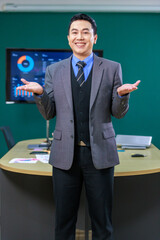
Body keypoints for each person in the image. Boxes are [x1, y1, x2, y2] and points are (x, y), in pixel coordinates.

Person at [17, 13, 140, 240]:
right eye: (75, 32)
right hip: (65, 156)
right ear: (68, 38)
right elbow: (49, 112)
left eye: (85, 32)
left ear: (95, 38)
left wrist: (122, 96)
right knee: (64, 224)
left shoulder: (112, 68)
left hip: (100, 155)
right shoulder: (55, 70)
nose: (79, 37)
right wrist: (40, 94)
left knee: (102, 223)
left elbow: (118, 113)